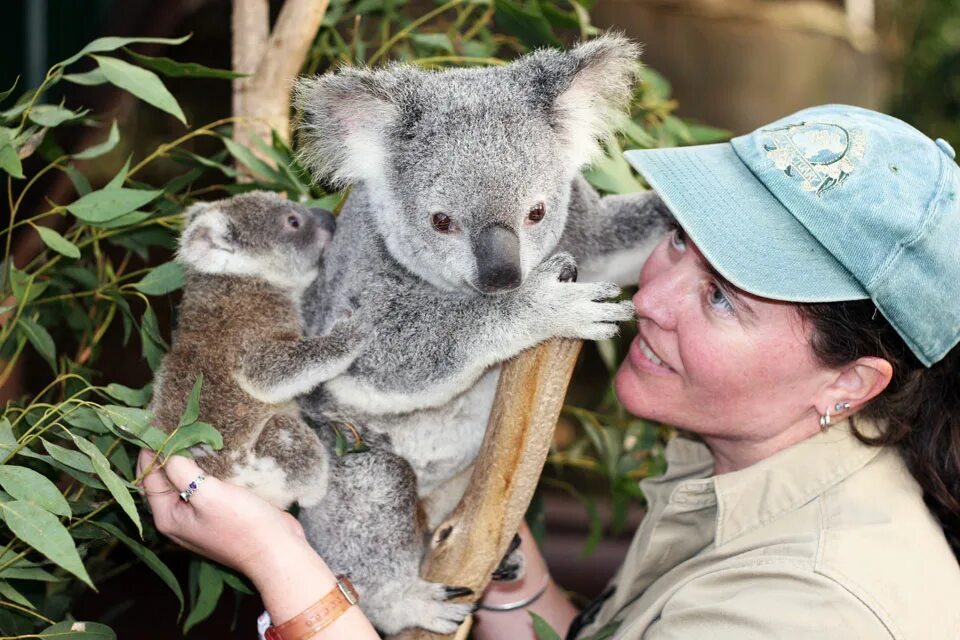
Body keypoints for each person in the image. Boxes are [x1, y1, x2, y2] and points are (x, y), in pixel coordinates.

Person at [138, 104, 960, 639]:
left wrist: (280, 558)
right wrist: (493, 548)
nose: (651, 298)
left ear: (850, 382)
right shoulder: (742, 469)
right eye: (677, 242)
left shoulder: (815, 609)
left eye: (721, 301)